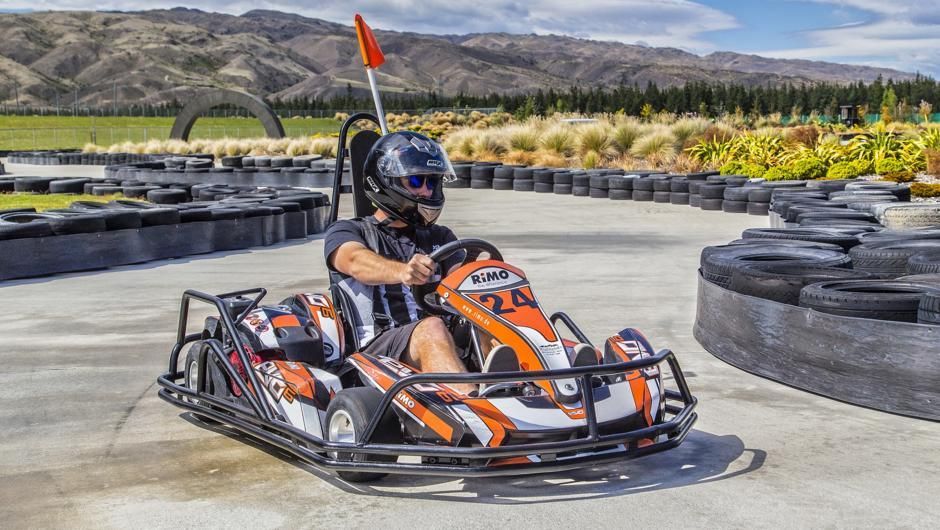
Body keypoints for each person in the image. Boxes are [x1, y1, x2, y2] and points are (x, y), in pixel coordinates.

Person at [324, 131, 517, 395]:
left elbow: (458, 278)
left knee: (487, 316)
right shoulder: (350, 231)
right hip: (379, 351)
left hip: (444, 338)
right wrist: (403, 271)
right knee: (431, 328)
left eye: (433, 182)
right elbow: (355, 261)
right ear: (386, 181)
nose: (426, 190)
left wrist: (482, 273)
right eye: (416, 180)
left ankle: (542, 382)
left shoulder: (441, 236)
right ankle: (475, 406)